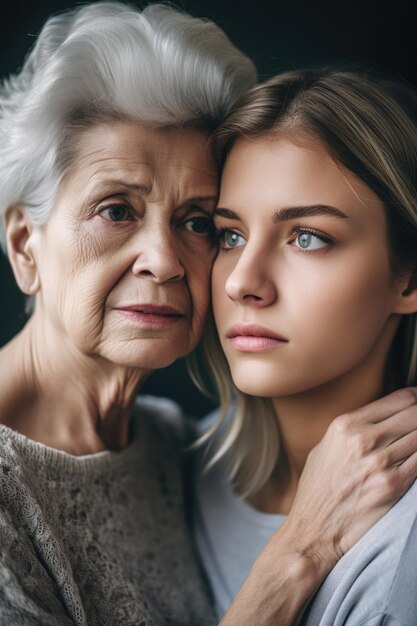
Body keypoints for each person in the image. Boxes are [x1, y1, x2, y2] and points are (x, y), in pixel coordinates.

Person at [1, 3, 417, 622]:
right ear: (24, 245)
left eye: (198, 222)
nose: (164, 261)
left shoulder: (175, 449)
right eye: (116, 210)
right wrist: (301, 548)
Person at [193, 67, 417, 625]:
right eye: (231, 235)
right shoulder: (186, 462)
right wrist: (297, 546)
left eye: (308, 237)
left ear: (408, 279)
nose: (242, 281)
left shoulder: (402, 555)